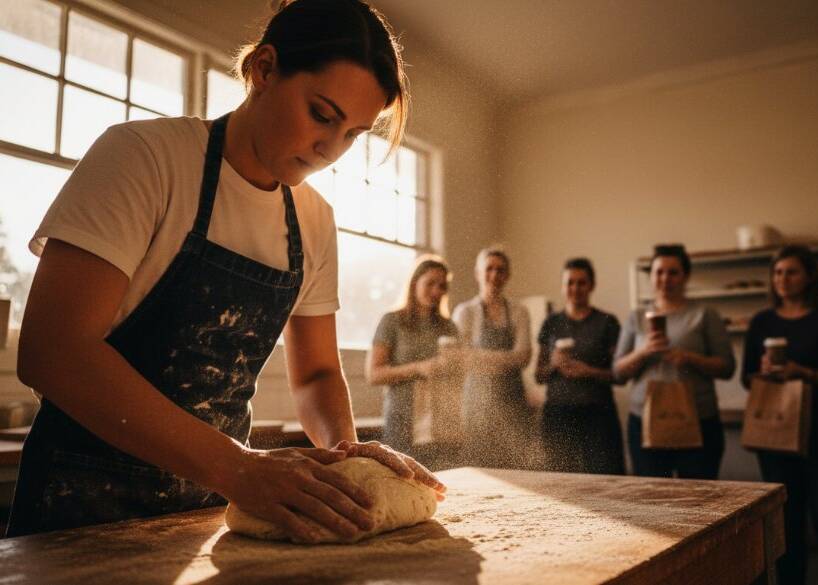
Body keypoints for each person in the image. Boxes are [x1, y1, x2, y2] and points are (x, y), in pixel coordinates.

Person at [7, 0, 444, 541]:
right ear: (263, 70)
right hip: (77, 509)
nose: (331, 150)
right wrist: (238, 466)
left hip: (207, 514)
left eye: (353, 133)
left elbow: (315, 375)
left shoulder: (313, 221)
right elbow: (54, 351)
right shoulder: (146, 158)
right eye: (322, 116)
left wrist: (342, 456)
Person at [741, 245, 818, 585]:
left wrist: (802, 372)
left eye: (791, 272)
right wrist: (764, 372)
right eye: (777, 272)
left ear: (809, 276)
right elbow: (747, 378)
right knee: (786, 524)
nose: (782, 279)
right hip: (776, 435)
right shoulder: (762, 321)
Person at [614, 244, 735, 480]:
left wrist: (689, 358)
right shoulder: (637, 317)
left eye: (673, 272)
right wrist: (644, 351)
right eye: (659, 272)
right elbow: (618, 373)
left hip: (698, 420)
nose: (665, 278)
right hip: (645, 421)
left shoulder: (704, 314)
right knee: (653, 502)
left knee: (700, 499)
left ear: (685, 276)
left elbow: (727, 367)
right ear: (651, 276)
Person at [365, 256, 462, 468]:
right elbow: (374, 374)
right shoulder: (392, 321)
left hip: (442, 424)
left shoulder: (449, 328)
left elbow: (460, 375)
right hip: (402, 423)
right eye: (430, 283)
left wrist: (456, 365)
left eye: (442, 286)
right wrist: (419, 368)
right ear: (414, 283)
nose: (437, 291)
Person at [534, 258, 624, 474]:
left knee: (604, 480)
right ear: (563, 286)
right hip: (558, 417)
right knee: (560, 482)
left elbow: (620, 374)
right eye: (570, 283)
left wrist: (588, 371)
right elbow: (539, 375)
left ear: (591, 285)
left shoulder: (607, 322)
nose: (575, 288)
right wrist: (553, 364)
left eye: (581, 282)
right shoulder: (551, 323)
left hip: (599, 417)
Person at [453, 248, 533, 469]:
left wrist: (479, 358)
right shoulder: (464, 312)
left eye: (500, 270)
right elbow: (461, 359)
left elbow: (524, 357)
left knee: (517, 467)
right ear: (478, 273)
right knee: (479, 467)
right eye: (489, 269)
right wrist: (507, 359)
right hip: (475, 404)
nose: (494, 275)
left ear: (507, 275)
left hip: (513, 401)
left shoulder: (520, 311)